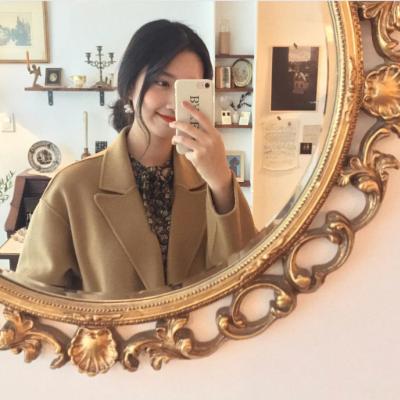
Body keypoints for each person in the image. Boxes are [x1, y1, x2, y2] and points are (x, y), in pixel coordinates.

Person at [16, 19, 257, 294]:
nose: (173, 103)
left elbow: (246, 278)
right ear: (130, 87)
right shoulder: (72, 187)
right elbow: (35, 299)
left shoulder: (209, 182)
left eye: (187, 89)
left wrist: (221, 183)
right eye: (162, 83)